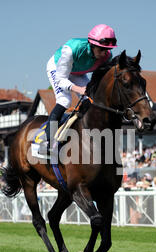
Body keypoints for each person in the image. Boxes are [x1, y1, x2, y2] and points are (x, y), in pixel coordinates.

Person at [39, 24, 117, 155]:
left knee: (93, 99)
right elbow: (61, 79)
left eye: (107, 49)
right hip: (58, 69)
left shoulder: (107, 57)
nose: (105, 53)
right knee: (65, 100)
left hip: (77, 72)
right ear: (92, 45)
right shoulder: (72, 49)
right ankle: (45, 142)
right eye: (102, 49)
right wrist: (78, 89)